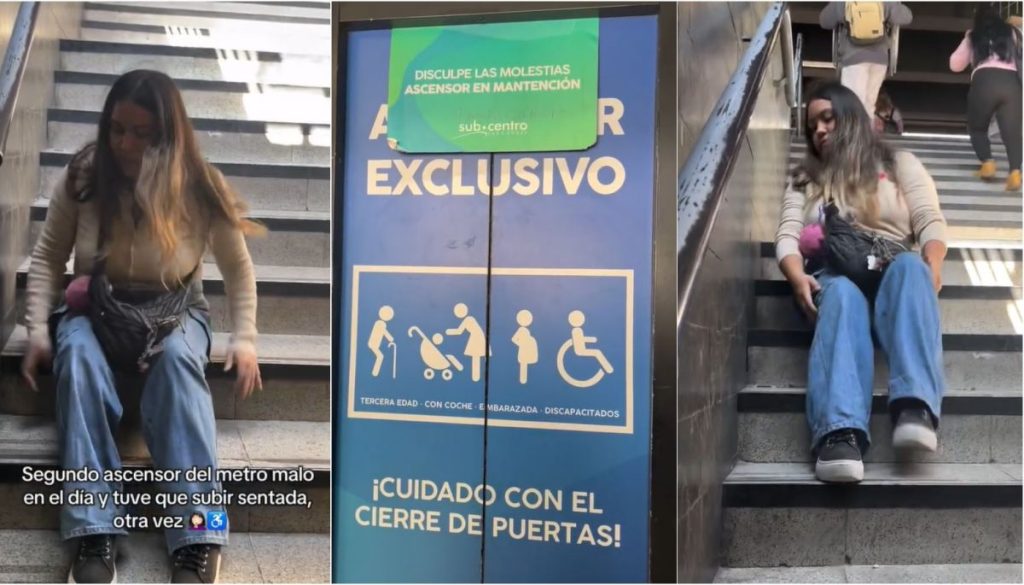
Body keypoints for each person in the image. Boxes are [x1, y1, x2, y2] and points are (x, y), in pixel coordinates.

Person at [20, 70, 264, 583]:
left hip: (176, 308)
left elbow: (238, 269)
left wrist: (245, 338)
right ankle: (94, 530)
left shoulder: (200, 184)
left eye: (141, 132)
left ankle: (198, 534)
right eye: (116, 129)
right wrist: (38, 332)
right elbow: (46, 259)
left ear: (167, 134)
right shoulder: (84, 177)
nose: (125, 143)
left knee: (178, 363)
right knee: (79, 360)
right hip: (97, 307)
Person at [776, 81, 947, 484]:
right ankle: (839, 431)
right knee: (843, 295)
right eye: (812, 123)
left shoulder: (899, 163)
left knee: (910, 268)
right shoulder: (804, 178)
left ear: (851, 118)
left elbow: (929, 221)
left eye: (827, 118)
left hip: (891, 264)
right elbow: (787, 233)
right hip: (832, 272)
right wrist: (795, 273)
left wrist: (932, 266)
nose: (818, 129)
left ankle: (914, 407)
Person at [949, 4, 1023, 191]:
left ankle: (988, 163)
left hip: (984, 82)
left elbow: (955, 65)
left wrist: (967, 40)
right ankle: (1015, 172)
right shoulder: (1011, 33)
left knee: (978, 128)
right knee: (1012, 133)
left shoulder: (973, 35)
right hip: (1011, 82)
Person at [820, 2, 913, 117]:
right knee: (869, 104)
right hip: (879, 60)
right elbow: (906, 17)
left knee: (851, 104)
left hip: (853, 59)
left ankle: (853, 134)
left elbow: (825, 21)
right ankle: (865, 132)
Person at [446, 303, 487, 382]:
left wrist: (448, 331)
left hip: (476, 338)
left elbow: (459, 331)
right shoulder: (469, 319)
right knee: (476, 356)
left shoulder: (468, 319)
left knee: (475, 355)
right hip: (477, 337)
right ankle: (476, 377)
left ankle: (476, 377)